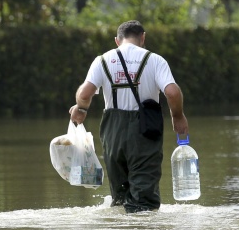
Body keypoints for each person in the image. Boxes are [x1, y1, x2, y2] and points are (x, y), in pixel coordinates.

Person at [69, 20, 189, 213]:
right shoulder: (155, 60)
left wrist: (81, 109)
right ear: (143, 37)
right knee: (144, 200)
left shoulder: (102, 60)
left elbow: (84, 94)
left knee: (120, 197)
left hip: (112, 132)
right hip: (145, 131)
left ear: (117, 41)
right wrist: (178, 116)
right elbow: (173, 93)